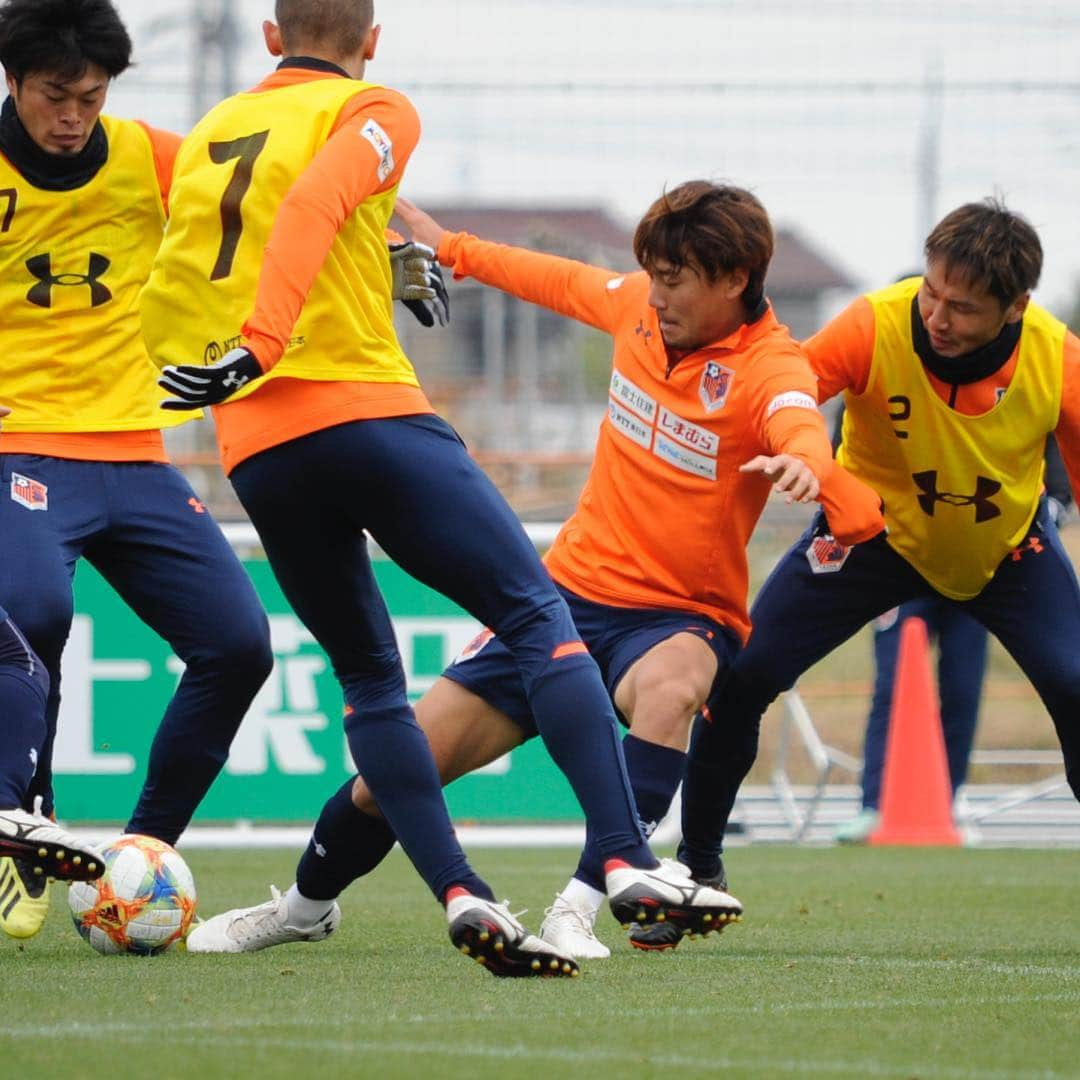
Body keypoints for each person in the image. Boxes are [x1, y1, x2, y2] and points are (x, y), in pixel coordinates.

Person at [140, 0, 748, 977]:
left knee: (371, 683)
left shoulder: (213, 130)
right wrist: (266, 342)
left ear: (268, 38)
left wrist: (222, 366)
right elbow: (314, 206)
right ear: (370, 40)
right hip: (370, 419)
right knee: (537, 613)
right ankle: (628, 858)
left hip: (260, 447)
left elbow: (203, 261)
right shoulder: (376, 107)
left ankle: (459, 889)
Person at [176, 174, 885, 962]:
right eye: (652, 274)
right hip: (561, 600)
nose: (657, 294)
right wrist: (454, 248)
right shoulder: (636, 309)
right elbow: (549, 278)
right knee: (391, 775)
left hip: (679, 618)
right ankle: (303, 908)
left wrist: (803, 461)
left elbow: (795, 416)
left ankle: (579, 908)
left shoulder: (768, 365)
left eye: (676, 280)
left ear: (735, 281)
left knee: (671, 686)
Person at [651, 197, 1080, 949]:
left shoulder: (1059, 358)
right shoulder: (875, 322)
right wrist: (792, 446)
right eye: (934, 294)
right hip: (868, 539)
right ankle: (696, 873)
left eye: (964, 308)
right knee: (742, 677)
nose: (938, 317)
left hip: (1005, 551)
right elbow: (781, 392)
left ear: (1016, 307)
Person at [0, 0, 277, 940]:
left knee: (241, 645)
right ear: (12, 81)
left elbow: (283, 197)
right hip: (19, 447)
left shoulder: (154, 157)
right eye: (53, 95)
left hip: (133, 452)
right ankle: (18, 827)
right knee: (34, 611)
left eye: (91, 94)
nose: (73, 114)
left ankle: (131, 866)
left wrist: (401, 242)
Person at [836, 435, 1074, 842]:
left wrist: (1053, 502)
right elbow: (847, 436)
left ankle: (949, 798)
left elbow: (1051, 435)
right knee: (892, 686)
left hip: (980, 558)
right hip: (903, 554)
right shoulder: (887, 373)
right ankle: (873, 804)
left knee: (963, 687)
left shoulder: (1021, 378)